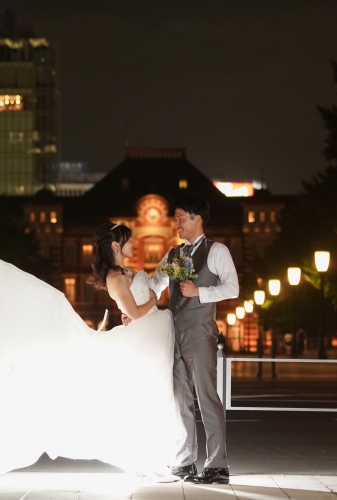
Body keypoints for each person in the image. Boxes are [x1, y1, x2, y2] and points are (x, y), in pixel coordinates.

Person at [0, 223, 182, 483]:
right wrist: (154, 300)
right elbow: (133, 309)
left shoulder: (125, 272)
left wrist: (140, 308)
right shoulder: (115, 278)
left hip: (150, 335)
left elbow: (131, 309)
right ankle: (151, 463)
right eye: (129, 241)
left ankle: (155, 460)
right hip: (145, 337)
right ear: (116, 246)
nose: (135, 245)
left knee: (149, 396)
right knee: (142, 398)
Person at [138, 194, 239, 484]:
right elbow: (154, 286)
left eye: (181, 218)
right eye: (176, 219)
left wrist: (201, 293)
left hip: (200, 329)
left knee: (206, 396)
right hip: (174, 330)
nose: (177, 224)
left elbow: (232, 288)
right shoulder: (176, 255)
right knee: (180, 399)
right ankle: (184, 462)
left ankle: (217, 465)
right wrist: (133, 308)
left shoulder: (216, 250)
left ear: (197, 219)